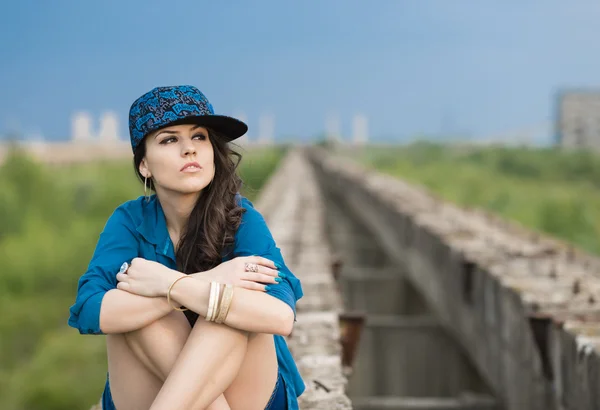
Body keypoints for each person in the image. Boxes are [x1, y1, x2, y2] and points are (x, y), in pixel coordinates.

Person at [68, 85, 305, 410]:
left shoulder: (241, 218)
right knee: (138, 313)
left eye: (199, 137)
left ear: (212, 151)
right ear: (145, 166)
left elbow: (280, 317)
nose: (189, 150)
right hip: (155, 389)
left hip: (249, 393)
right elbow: (91, 309)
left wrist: (169, 286)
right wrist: (209, 280)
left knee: (226, 317)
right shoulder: (129, 221)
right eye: (169, 139)